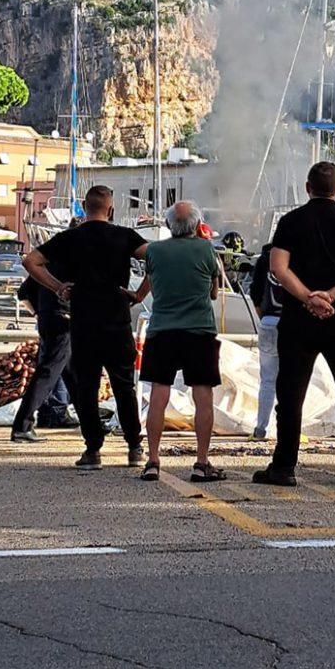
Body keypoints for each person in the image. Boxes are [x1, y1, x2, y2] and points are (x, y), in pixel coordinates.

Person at [252, 161, 335, 487]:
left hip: (298, 320)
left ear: (308, 188)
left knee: (291, 394)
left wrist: (309, 297)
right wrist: (332, 296)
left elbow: (279, 268)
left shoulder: (291, 222)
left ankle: (283, 466)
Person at [23, 185, 147, 470]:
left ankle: (93, 450)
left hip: (84, 320)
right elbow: (155, 259)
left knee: (86, 387)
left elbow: (31, 261)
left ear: (83, 207)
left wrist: (58, 287)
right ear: (111, 209)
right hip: (117, 318)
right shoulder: (125, 237)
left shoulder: (70, 238)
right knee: (124, 385)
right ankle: (134, 446)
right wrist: (139, 294)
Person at [134, 201, 226, 483]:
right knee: (203, 397)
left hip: (162, 331)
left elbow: (147, 285)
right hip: (199, 332)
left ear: (168, 226)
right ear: (198, 225)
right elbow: (213, 292)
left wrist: (135, 296)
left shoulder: (155, 251)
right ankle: (201, 462)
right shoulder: (206, 249)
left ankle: (152, 460)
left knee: (158, 397)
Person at [11, 271, 76, 441]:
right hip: (64, 321)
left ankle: (91, 422)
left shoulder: (43, 268)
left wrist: (37, 313)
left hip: (47, 321)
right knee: (48, 373)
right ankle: (22, 425)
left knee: (73, 375)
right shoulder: (74, 264)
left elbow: (22, 294)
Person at [248, 242, 281, 439]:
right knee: (292, 381)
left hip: (268, 321)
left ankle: (261, 428)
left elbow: (255, 293)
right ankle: (288, 429)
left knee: (267, 380)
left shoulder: (265, 258)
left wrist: (264, 318)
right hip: (292, 324)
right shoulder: (297, 255)